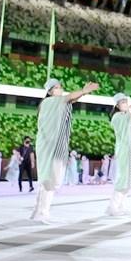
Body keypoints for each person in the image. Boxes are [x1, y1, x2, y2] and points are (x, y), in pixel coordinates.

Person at [32, 78, 98, 222]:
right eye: (56, 87)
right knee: (48, 180)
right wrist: (84, 91)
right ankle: (41, 212)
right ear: (49, 92)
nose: (60, 89)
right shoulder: (49, 102)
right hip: (48, 145)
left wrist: (83, 93)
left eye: (60, 86)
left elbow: (70, 100)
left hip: (55, 146)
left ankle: (40, 211)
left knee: (50, 180)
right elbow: (68, 98)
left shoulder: (57, 102)